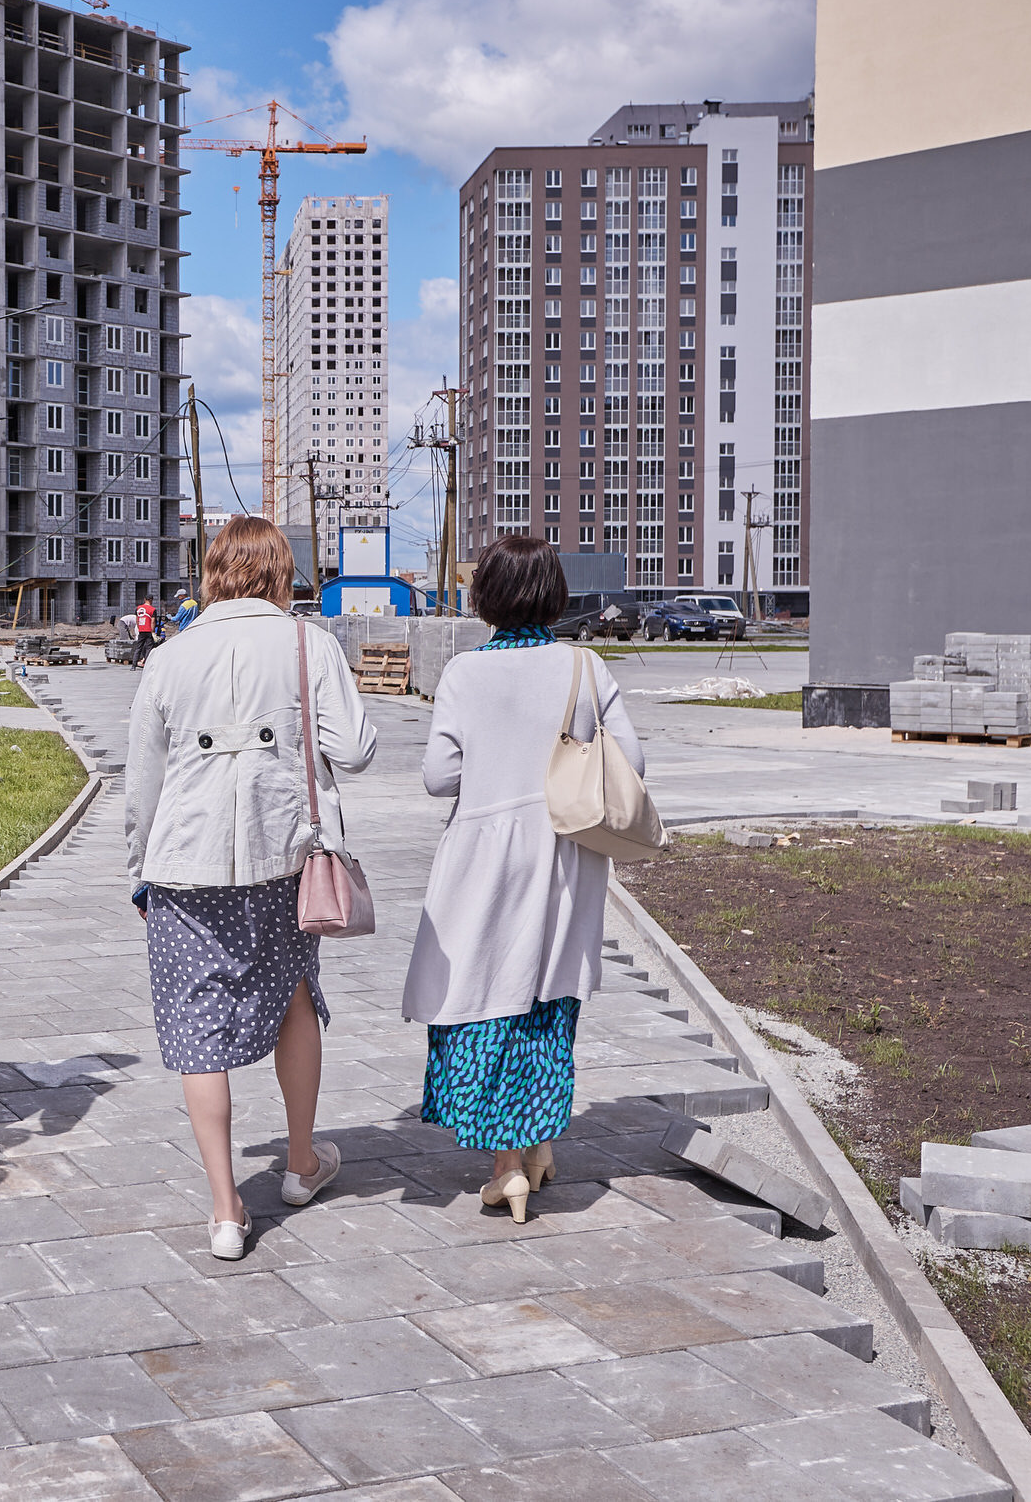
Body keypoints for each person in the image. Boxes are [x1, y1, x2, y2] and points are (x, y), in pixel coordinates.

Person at [125, 516, 378, 1258]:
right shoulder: (308, 642)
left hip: (183, 864)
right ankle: (301, 1163)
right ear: (279, 573)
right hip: (283, 854)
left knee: (196, 1027)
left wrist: (138, 867)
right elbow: (357, 749)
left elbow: (142, 782)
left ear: (212, 574)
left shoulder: (169, 655)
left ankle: (226, 1208)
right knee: (294, 991)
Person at [405, 534, 644, 1223]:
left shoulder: (464, 673)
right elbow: (630, 760)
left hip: (484, 855)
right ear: (553, 592)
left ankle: (506, 1167)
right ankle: (536, 1144)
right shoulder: (584, 666)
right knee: (545, 998)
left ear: (486, 597)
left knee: (484, 998)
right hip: (562, 856)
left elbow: (438, 778)